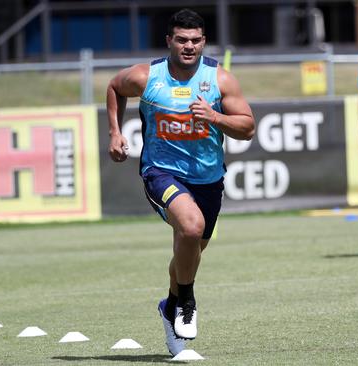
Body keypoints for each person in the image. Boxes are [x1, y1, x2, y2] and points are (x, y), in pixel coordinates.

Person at [106, 8, 255, 355]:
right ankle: (187, 301)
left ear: (204, 41)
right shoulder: (147, 76)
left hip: (208, 178)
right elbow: (114, 87)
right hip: (161, 172)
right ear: (169, 40)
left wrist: (215, 116)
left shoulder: (220, 79)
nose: (189, 46)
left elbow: (247, 127)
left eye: (195, 40)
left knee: (189, 252)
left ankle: (170, 304)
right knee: (190, 228)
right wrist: (114, 131)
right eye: (182, 40)